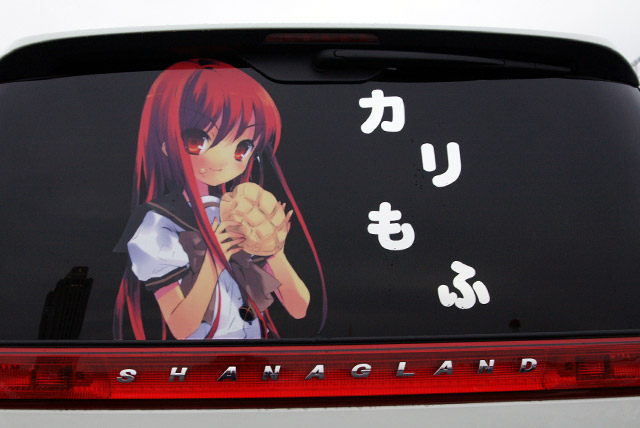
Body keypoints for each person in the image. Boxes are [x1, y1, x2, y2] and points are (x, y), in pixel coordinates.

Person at [113, 59, 325, 340]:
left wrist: (275, 249)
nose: (223, 159)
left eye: (243, 147)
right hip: (201, 358)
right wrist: (214, 261)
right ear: (166, 145)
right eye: (198, 141)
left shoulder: (237, 209)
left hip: (256, 352)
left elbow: (299, 308)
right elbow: (181, 327)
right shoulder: (159, 223)